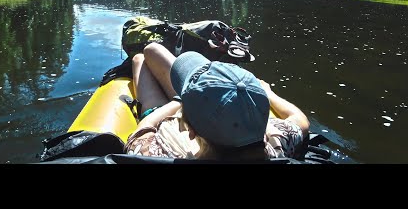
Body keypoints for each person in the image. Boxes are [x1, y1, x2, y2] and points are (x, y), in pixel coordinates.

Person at [124, 42, 310, 161]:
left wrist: (181, 102)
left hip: (164, 115)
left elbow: (144, 127)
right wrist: (269, 93)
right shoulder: (277, 144)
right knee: (152, 51)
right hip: (196, 116)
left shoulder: (154, 154)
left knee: (140, 58)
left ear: (191, 130)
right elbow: (301, 120)